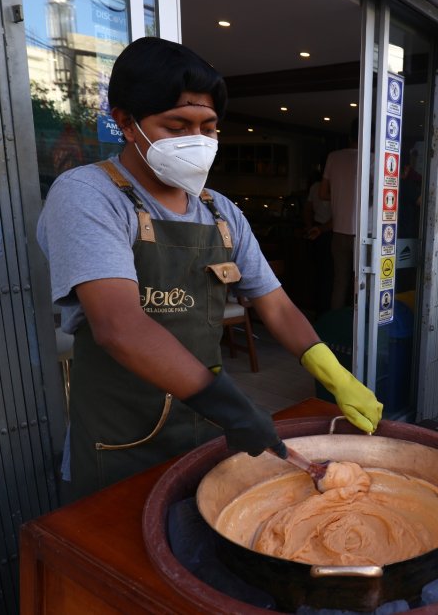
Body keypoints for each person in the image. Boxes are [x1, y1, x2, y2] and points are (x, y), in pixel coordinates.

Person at [36, 38, 383, 499]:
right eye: (177, 125)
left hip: (204, 420)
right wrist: (230, 404)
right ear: (126, 122)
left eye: (208, 127)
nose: (196, 140)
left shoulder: (219, 211)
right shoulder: (87, 195)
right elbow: (119, 326)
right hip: (120, 434)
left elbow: (276, 306)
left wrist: (335, 374)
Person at [320, 121, 359, 310]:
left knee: (340, 281)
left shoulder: (333, 157)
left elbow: (322, 193)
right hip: (362, 234)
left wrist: (341, 197)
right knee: (361, 282)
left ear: (350, 137)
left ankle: (335, 321)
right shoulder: (373, 158)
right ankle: (356, 324)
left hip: (338, 232)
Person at [303, 172, 333, 314]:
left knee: (319, 273)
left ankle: (319, 310)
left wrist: (310, 227)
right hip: (326, 232)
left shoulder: (315, 186)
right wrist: (313, 228)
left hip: (318, 230)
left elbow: (307, 209)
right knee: (327, 274)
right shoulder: (334, 187)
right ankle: (324, 311)